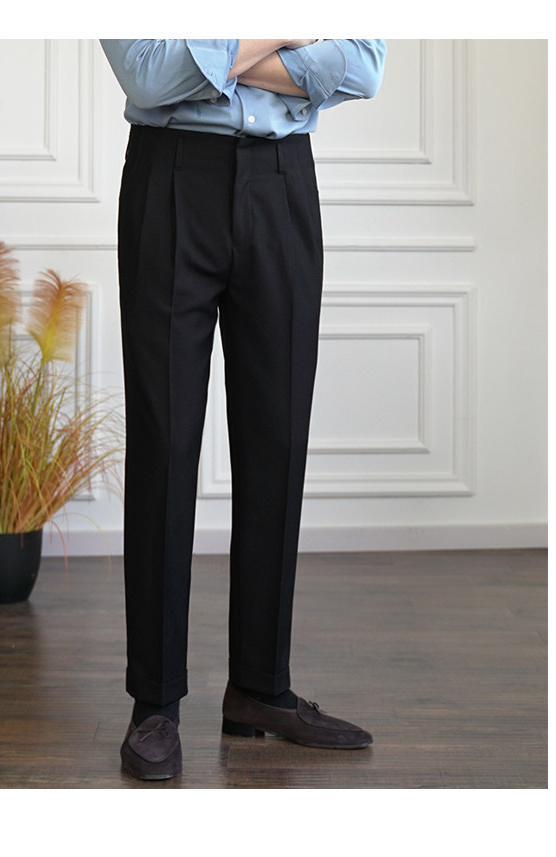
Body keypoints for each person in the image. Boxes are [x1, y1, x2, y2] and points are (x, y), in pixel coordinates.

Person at [100, 39, 387, 781]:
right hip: (170, 177)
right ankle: (154, 703)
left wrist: (211, 52)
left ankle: (260, 686)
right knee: (165, 444)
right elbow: (146, 74)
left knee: (277, 439)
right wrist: (284, 30)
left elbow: (365, 65)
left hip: (284, 181)